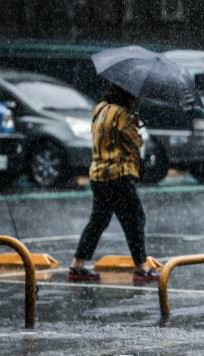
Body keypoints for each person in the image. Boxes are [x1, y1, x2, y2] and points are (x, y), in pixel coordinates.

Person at [67, 84, 158, 283]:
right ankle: (141, 267)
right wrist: (137, 126)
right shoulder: (122, 115)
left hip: (98, 175)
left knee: (98, 221)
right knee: (134, 219)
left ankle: (77, 264)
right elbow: (134, 143)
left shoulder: (100, 109)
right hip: (118, 174)